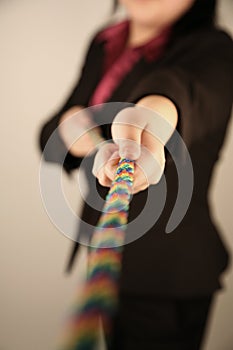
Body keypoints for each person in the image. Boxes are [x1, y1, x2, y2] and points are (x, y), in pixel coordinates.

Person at [39, 0, 233, 348]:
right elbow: (52, 130)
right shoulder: (105, 43)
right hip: (107, 260)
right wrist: (72, 130)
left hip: (166, 278)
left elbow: (180, 90)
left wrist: (150, 118)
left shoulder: (214, 49)